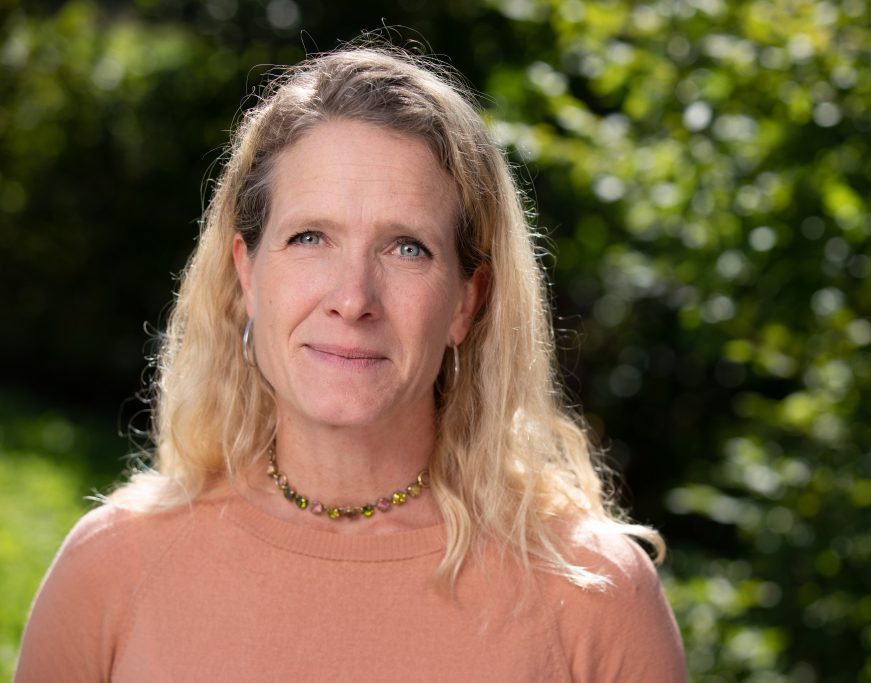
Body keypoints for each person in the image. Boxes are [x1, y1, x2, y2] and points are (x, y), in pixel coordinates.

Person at [15, 44, 687, 682]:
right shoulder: (111, 567)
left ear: (466, 301)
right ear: (247, 275)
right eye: (311, 237)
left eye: (407, 248)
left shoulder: (594, 592)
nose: (353, 298)